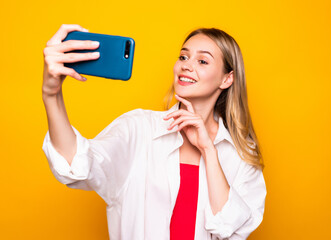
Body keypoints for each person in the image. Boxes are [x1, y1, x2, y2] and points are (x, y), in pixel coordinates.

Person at [42, 24, 267, 240]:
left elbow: (232, 230)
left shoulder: (241, 153)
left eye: (202, 60)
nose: (187, 65)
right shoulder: (139, 128)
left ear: (227, 78)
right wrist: (51, 95)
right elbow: (76, 164)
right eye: (183, 57)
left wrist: (209, 150)